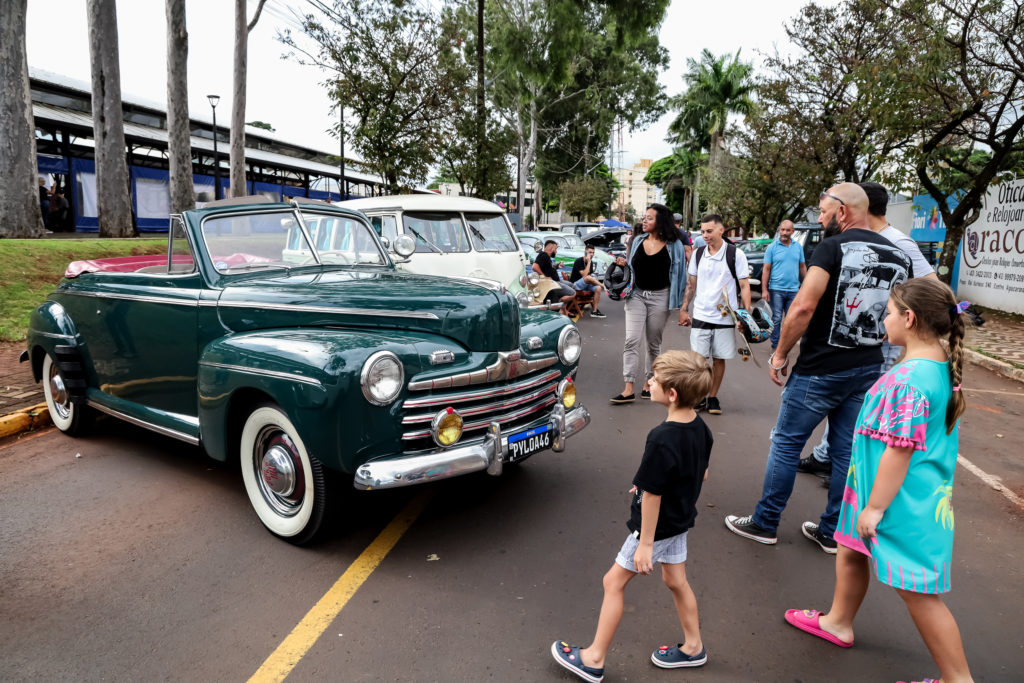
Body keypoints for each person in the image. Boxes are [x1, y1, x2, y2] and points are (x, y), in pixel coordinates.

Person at [784, 278, 972, 683]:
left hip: (898, 502)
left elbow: (899, 449)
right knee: (850, 547)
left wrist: (874, 507)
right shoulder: (935, 362)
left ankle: (959, 680)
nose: (882, 318)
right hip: (874, 490)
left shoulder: (910, 380)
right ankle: (837, 621)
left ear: (909, 317)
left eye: (888, 312)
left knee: (918, 593)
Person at [724, 183, 914, 553]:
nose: (821, 218)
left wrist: (779, 354)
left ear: (843, 212)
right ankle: (832, 531)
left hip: (820, 370)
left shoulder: (831, 248)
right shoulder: (900, 257)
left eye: (825, 211)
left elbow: (802, 308)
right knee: (845, 451)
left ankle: (765, 522)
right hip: (868, 368)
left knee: (786, 444)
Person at [552, 350, 714, 682]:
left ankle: (593, 659)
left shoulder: (661, 438)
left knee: (612, 582)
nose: (649, 381)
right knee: (675, 580)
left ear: (671, 394)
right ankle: (694, 647)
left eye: (654, 379)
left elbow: (654, 494)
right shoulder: (701, 429)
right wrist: (646, 486)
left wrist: (646, 543)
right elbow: (700, 473)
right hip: (680, 519)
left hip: (657, 527)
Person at [798, 181, 939, 479]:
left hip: (882, 348)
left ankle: (867, 475)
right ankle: (831, 460)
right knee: (847, 413)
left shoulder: (898, 243)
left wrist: (901, 319)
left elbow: (934, 288)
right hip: (851, 349)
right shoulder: (861, 240)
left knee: (872, 415)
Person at [611, 204, 688, 404]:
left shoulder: (675, 246)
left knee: (653, 344)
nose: (644, 221)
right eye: (644, 217)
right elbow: (631, 266)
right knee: (631, 340)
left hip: (660, 297)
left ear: (660, 222)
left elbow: (680, 276)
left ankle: (648, 383)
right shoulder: (637, 240)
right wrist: (622, 264)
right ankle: (629, 387)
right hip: (636, 295)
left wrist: (681, 306)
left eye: (649, 218)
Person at [678, 213, 751, 415]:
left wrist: (746, 316)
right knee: (699, 361)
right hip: (701, 313)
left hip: (725, 316)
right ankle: (700, 396)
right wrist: (684, 309)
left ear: (721, 230)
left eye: (709, 231)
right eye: (702, 232)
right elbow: (691, 285)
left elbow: (744, 285)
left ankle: (712, 397)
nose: (705, 235)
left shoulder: (736, 254)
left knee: (719, 359)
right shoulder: (698, 254)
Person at [761, 220, 806, 351]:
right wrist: (764, 289)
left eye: (787, 230)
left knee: (791, 320)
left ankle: (785, 344)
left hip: (793, 290)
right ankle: (776, 345)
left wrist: (807, 284)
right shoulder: (772, 248)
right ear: (779, 230)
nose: (785, 233)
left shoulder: (798, 247)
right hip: (776, 290)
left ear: (793, 231)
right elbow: (766, 269)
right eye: (782, 230)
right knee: (776, 319)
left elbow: (802, 266)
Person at [532, 239, 575, 306]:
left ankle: (565, 309)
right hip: (553, 283)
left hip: (556, 280)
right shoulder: (543, 255)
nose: (556, 251)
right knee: (573, 293)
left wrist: (557, 266)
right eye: (555, 248)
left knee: (572, 285)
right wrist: (544, 276)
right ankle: (559, 305)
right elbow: (534, 267)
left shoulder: (547, 258)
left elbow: (549, 269)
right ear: (551, 248)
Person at [569, 245, 607, 318]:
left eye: (593, 253)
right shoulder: (579, 261)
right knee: (588, 277)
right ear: (585, 252)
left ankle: (595, 311)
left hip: (586, 284)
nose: (592, 254)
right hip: (576, 285)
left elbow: (589, 277)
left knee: (598, 288)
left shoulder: (591, 262)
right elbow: (585, 276)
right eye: (590, 252)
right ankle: (604, 286)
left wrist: (594, 282)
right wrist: (589, 262)